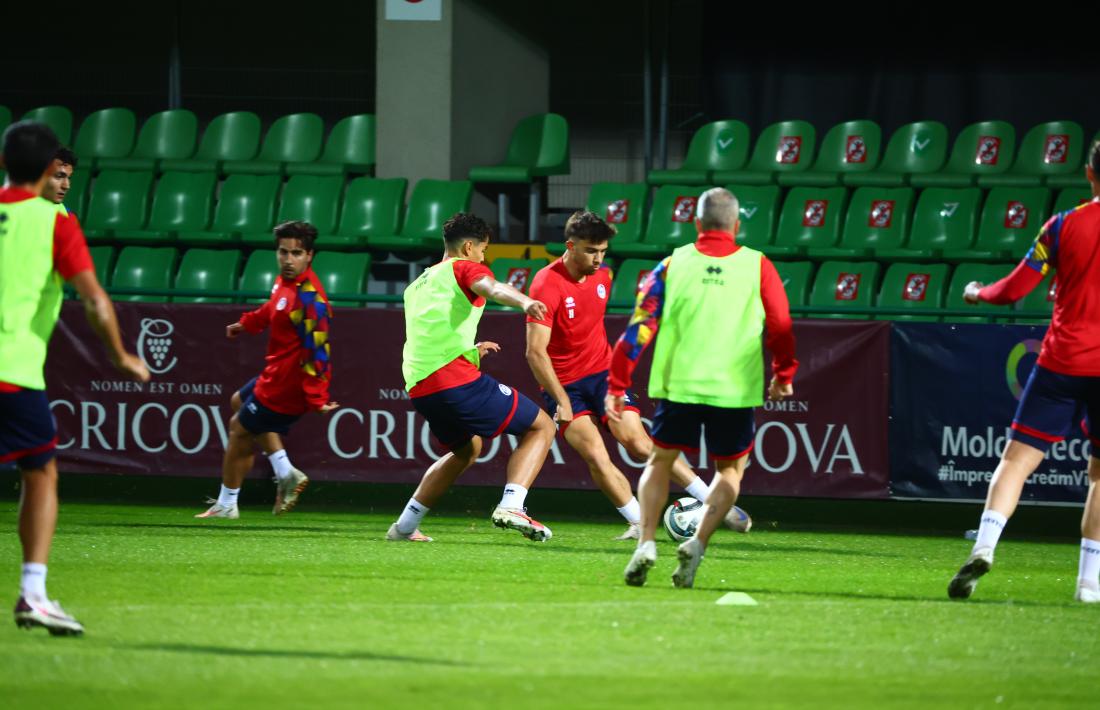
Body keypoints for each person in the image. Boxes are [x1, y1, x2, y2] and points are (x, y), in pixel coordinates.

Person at [607, 187, 798, 588]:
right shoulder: (758, 266)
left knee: (659, 463)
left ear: (696, 224)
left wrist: (617, 381)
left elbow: (641, 325)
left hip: (681, 386)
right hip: (734, 390)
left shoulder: (672, 265)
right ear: (736, 225)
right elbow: (781, 325)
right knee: (729, 471)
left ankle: (645, 543)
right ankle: (698, 543)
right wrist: (784, 375)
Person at [1, 121, 149, 635]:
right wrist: (122, 356)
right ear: (46, 170)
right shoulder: (55, 224)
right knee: (40, 472)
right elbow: (93, 297)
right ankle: (34, 594)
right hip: (13, 370)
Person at [526, 210, 752, 540]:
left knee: (640, 443)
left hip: (601, 374)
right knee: (594, 454)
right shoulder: (546, 284)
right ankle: (638, 521)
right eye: (591, 251)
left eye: (603, 251)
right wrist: (561, 399)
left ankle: (715, 503)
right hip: (562, 386)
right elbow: (534, 352)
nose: (598, 259)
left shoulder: (603, 277)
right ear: (570, 246)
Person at [948, 141, 1100, 603]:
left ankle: (985, 546)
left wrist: (978, 292)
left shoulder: (1062, 225)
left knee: (1016, 461)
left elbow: (1016, 287)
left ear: (1090, 175)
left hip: (1059, 360)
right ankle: (1089, 585)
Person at [387, 213, 557, 542]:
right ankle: (512, 506)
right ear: (468, 247)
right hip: (453, 379)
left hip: (419, 386)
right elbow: (490, 286)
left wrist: (470, 349)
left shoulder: (417, 285)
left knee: (466, 449)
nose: (484, 256)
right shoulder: (464, 267)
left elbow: (432, 334)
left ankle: (404, 527)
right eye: (484, 250)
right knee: (542, 426)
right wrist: (524, 301)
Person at [196, 221, 338, 519]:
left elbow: (318, 352)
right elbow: (272, 308)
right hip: (274, 374)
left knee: (239, 429)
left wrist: (316, 399)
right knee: (238, 402)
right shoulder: (284, 283)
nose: (288, 260)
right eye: (283, 252)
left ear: (309, 255)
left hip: (287, 384)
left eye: (296, 253)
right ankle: (284, 471)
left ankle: (226, 504)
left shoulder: (311, 300)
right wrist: (246, 323)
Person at [40, 146, 76, 211]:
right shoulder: (17, 209)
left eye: (69, 178)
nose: (67, 186)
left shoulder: (67, 216)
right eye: (59, 176)